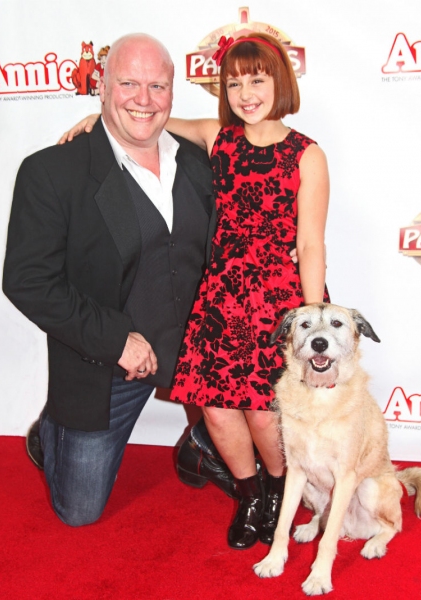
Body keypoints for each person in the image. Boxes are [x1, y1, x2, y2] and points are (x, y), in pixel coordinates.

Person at [60, 33, 329, 548]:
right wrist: (100, 120)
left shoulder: (306, 155)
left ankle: (277, 491)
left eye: (257, 79)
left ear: (281, 83)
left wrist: (311, 322)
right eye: (234, 83)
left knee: (265, 408)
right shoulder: (216, 136)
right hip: (221, 298)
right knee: (216, 407)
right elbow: (149, 124)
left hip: (277, 302)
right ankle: (249, 493)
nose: (246, 93)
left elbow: (311, 244)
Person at [3, 33, 227, 527]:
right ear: (102, 88)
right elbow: (27, 280)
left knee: (280, 411)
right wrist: (114, 340)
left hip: (193, 351)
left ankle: (202, 444)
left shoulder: (202, 161)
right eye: (128, 84)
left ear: (173, 91)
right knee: (79, 512)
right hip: (110, 362)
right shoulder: (51, 172)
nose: (144, 100)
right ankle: (53, 429)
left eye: (158, 86)